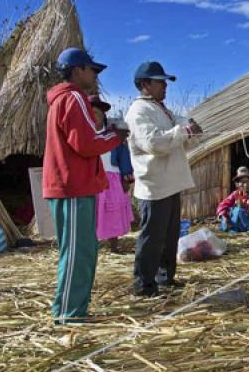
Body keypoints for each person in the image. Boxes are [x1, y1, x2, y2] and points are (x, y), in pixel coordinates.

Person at [42, 48, 126, 324]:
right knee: (77, 253)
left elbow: (82, 141)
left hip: (74, 186)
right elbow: (86, 145)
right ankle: (68, 313)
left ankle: (75, 309)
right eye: (92, 70)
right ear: (78, 70)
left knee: (84, 250)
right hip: (73, 187)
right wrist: (115, 137)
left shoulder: (64, 100)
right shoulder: (73, 98)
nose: (94, 76)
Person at [125, 61, 202, 297]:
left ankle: (165, 278)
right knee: (152, 237)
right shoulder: (139, 111)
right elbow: (154, 143)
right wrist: (184, 131)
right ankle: (143, 284)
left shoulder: (161, 109)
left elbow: (179, 128)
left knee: (169, 235)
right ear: (145, 84)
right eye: (160, 81)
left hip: (170, 182)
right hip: (155, 184)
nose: (165, 86)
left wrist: (190, 129)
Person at [90, 94, 134, 253]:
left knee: (113, 211)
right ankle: (92, 245)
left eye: (97, 113)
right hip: (92, 180)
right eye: (90, 113)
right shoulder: (84, 136)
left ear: (103, 115)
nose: (94, 117)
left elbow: (123, 156)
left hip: (112, 179)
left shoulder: (114, 136)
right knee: (93, 212)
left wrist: (126, 177)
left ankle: (114, 245)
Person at [216, 166, 249, 232]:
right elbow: (223, 205)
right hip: (238, 224)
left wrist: (246, 207)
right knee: (231, 212)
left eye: (247, 182)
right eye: (242, 182)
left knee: (239, 210)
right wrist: (223, 216)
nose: (245, 185)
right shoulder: (235, 194)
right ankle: (230, 229)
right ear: (237, 184)